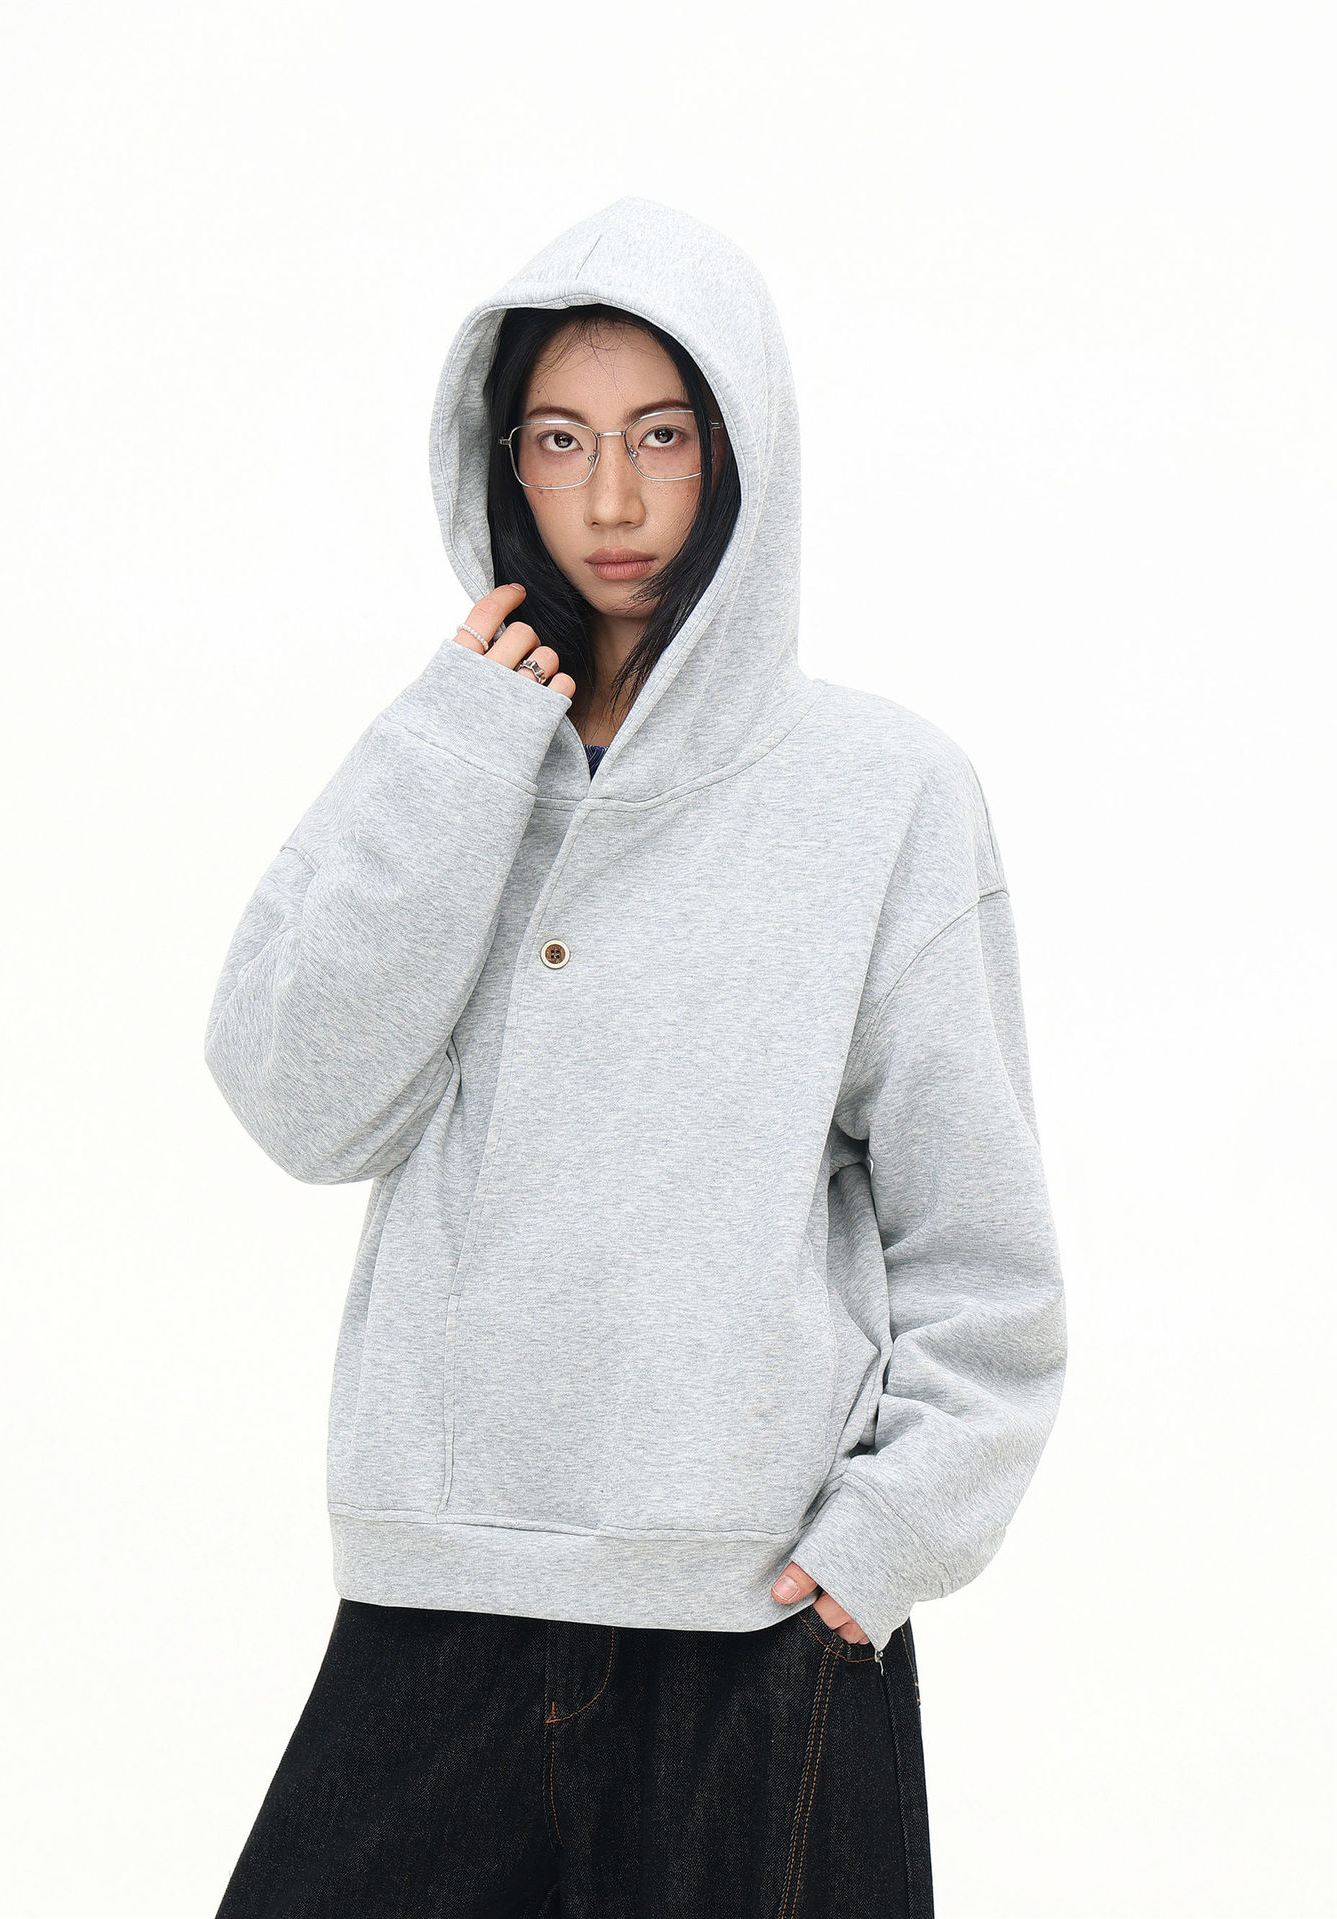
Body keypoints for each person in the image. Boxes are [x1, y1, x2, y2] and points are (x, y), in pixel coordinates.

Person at [203, 195, 1067, 1918]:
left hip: (757, 1627)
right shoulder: (452, 761)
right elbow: (300, 1102)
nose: (611, 500)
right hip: (440, 1604)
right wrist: (464, 745)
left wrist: (883, 1543)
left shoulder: (881, 795)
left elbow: (983, 1256)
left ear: (739, 452)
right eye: (562, 440)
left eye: (661, 436)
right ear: (500, 462)